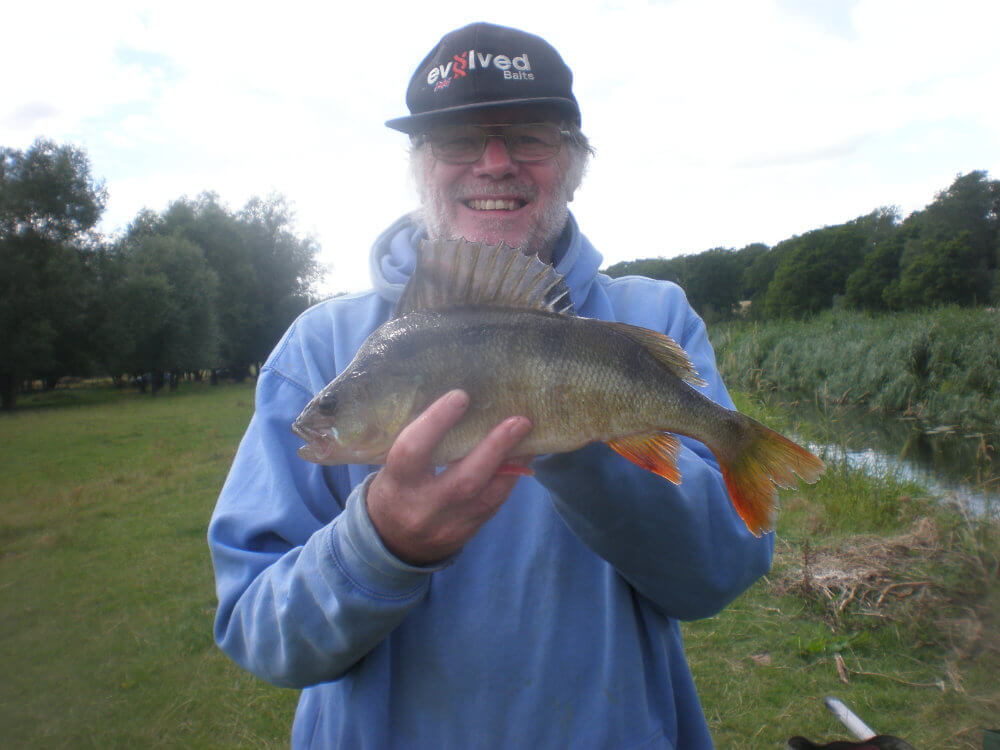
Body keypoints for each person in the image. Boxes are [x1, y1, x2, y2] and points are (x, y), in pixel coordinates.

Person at [209, 21, 773, 749]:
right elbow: (257, 632)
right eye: (458, 140)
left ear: (573, 159)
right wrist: (379, 544)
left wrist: (574, 434)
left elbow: (719, 576)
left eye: (530, 137)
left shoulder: (651, 314)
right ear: (421, 162)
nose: (495, 163)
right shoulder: (321, 349)